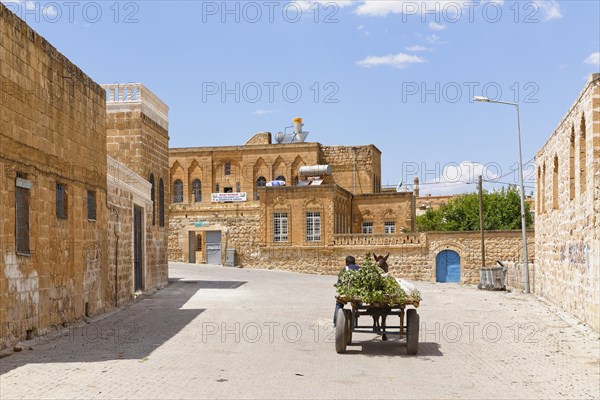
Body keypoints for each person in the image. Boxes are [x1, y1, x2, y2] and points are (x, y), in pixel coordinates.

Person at [333, 256, 360, 326]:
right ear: (354, 262)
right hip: (358, 293)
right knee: (359, 302)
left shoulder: (344, 270)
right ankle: (358, 308)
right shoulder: (359, 269)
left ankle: (335, 321)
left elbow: (339, 283)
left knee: (339, 304)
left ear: (346, 263)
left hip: (347, 292)